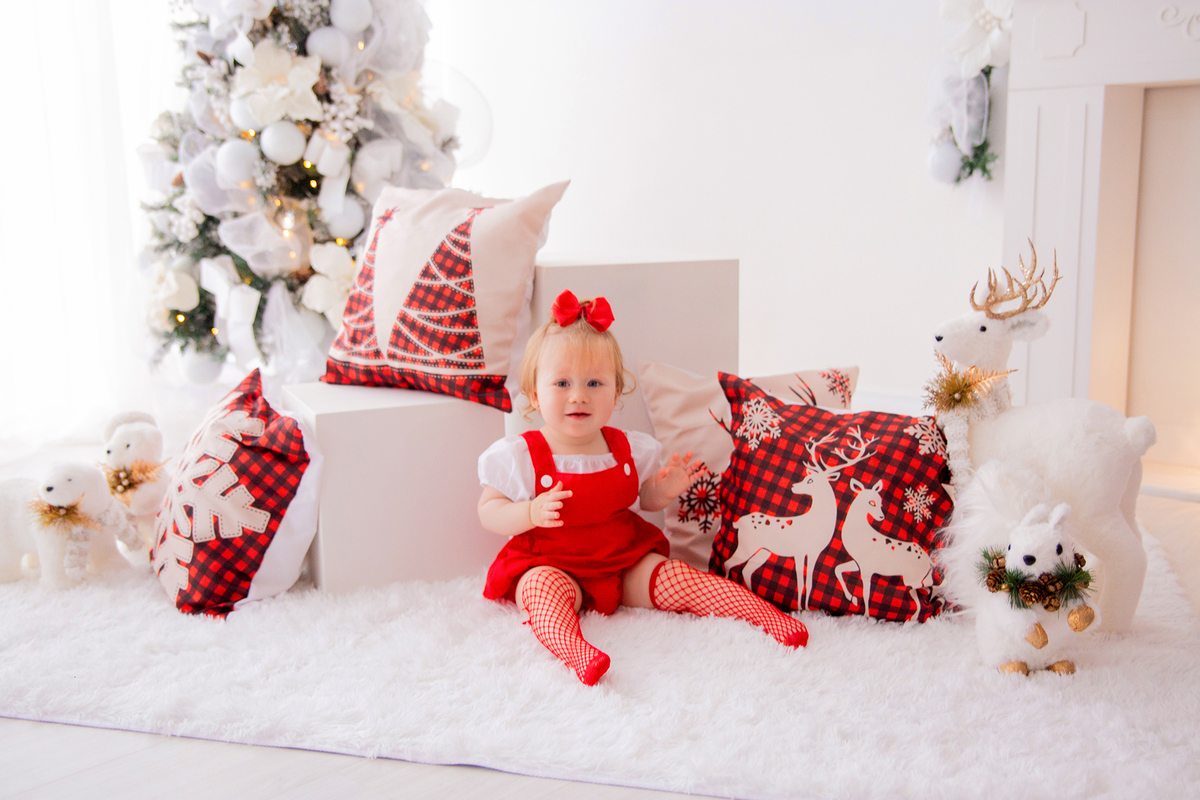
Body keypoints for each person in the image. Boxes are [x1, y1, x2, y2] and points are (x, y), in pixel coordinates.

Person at [477, 290, 809, 686]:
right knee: (539, 591)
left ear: (616, 394)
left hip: (621, 561)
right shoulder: (520, 455)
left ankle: (759, 613)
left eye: (594, 382)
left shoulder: (627, 448)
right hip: (552, 561)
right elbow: (489, 509)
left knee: (678, 578)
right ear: (534, 393)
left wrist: (664, 489)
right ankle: (575, 650)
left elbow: (641, 498)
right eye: (562, 383)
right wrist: (528, 513)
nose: (578, 394)